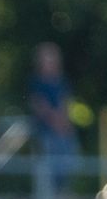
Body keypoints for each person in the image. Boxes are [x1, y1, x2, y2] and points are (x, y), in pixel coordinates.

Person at [27, 43, 76, 189]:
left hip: (62, 131)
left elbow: (65, 104)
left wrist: (63, 124)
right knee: (48, 168)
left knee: (67, 165)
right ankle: (48, 196)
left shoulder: (61, 81)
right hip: (45, 131)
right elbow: (40, 107)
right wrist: (56, 122)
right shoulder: (36, 82)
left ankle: (61, 196)